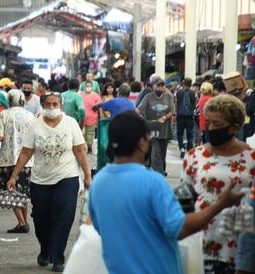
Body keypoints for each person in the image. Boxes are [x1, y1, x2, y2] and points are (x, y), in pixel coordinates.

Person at [88, 110, 245, 274]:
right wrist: (220, 203)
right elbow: (180, 229)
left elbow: (102, 229)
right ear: (142, 143)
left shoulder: (98, 183)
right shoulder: (152, 182)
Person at [6, 92, 91, 272]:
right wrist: (14, 175)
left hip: (67, 177)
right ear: (43, 105)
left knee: (64, 215)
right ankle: (45, 250)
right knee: (41, 219)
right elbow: (26, 152)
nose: (51, 108)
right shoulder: (35, 125)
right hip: (40, 180)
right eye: (48, 104)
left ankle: (58, 257)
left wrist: (87, 175)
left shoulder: (71, 123)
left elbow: (79, 150)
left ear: (60, 105)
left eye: (55, 104)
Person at [181, 94, 255, 273]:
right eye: (209, 123)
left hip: (238, 244)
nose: (211, 128)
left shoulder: (251, 158)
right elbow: (183, 203)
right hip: (201, 241)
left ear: (235, 127)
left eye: (218, 124)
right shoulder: (194, 156)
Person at [0, 89, 35, 233]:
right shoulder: (30, 115)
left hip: (8, 158)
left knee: (11, 192)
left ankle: (22, 222)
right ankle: (23, 222)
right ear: (22, 100)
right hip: (28, 160)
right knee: (23, 193)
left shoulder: (3, 115)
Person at [136, 77, 174, 175]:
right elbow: (139, 109)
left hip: (165, 130)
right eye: (158, 86)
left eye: (162, 86)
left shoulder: (168, 97)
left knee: (162, 154)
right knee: (156, 153)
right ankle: (159, 174)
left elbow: (172, 112)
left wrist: (165, 117)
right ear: (153, 87)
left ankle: (160, 170)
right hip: (152, 129)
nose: (160, 88)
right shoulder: (148, 97)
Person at [175, 77, 196, 158]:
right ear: (190, 84)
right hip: (190, 116)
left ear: (183, 83)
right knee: (190, 135)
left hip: (180, 116)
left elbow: (176, 103)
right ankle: (189, 150)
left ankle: (182, 148)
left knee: (179, 134)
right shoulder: (193, 93)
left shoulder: (178, 92)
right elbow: (195, 104)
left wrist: (175, 113)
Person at [80, 81, 101, 153]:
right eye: (87, 86)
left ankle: (89, 148)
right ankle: (83, 147)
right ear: (84, 86)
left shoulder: (96, 96)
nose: (88, 87)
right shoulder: (80, 95)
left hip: (92, 118)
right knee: (82, 133)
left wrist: (100, 117)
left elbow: (99, 107)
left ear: (92, 87)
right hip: (81, 118)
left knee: (90, 134)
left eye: (89, 86)